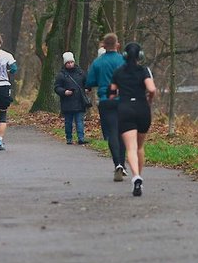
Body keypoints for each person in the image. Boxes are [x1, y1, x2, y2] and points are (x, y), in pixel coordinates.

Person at [108, 43, 157, 196]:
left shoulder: (118, 72)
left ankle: (135, 176)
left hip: (126, 109)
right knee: (140, 147)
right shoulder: (144, 71)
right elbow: (152, 89)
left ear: (124, 56)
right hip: (142, 110)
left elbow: (111, 92)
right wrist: (149, 99)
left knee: (130, 148)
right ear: (140, 56)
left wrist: (113, 95)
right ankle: (139, 178)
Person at [86, 33, 128, 181]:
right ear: (117, 45)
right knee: (122, 133)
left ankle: (117, 164)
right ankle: (122, 163)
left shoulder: (98, 63)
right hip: (123, 100)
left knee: (111, 132)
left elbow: (90, 81)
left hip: (105, 101)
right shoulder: (124, 60)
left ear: (103, 45)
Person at [54, 51, 88, 145]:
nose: (70, 64)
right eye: (68, 63)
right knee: (68, 122)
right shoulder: (61, 75)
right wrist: (64, 92)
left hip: (79, 101)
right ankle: (69, 138)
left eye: (71, 62)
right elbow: (57, 87)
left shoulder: (81, 73)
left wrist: (87, 89)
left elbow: (87, 83)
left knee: (79, 121)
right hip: (67, 102)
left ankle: (81, 138)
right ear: (65, 63)